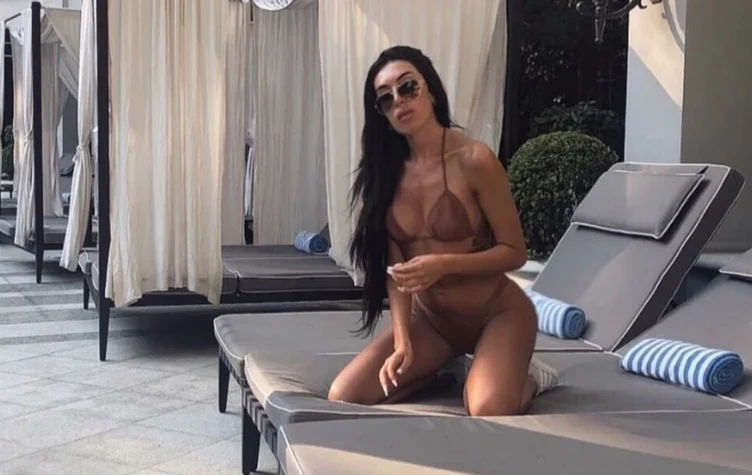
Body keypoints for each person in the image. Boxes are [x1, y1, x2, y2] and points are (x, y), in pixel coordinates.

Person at [328, 46, 558, 416]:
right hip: (432, 323)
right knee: (344, 395)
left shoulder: (475, 160)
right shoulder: (385, 177)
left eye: (408, 87)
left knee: (486, 409)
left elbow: (515, 252)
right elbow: (396, 274)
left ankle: (530, 378)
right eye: (385, 98)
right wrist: (402, 341)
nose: (399, 101)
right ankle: (437, 372)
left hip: (496, 313)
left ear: (431, 91)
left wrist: (443, 265)